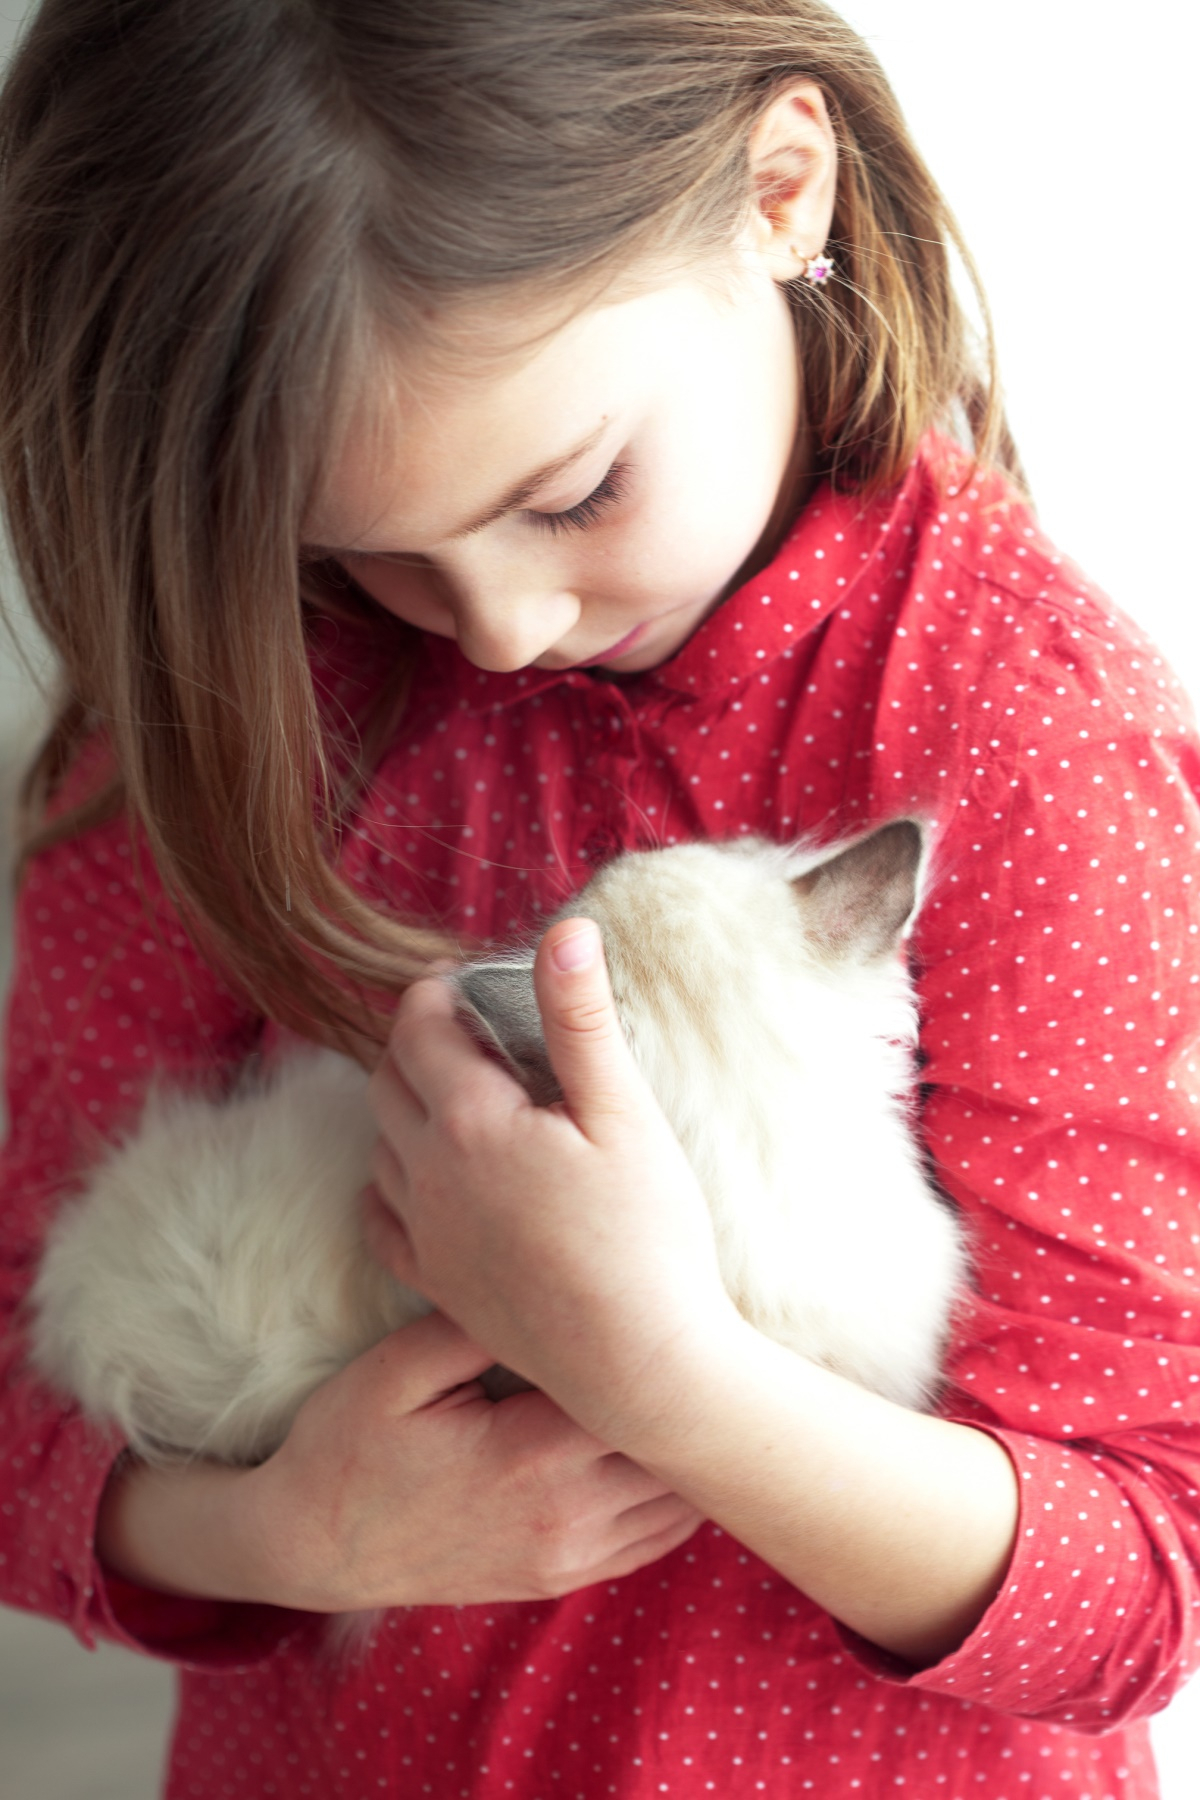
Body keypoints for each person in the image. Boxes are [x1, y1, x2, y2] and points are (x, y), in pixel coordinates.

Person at [1, 1, 1197, 1795]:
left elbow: (1144, 1584)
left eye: (572, 493)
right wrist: (284, 1539)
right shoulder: (247, 695)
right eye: (368, 551)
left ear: (779, 195)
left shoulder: (1025, 741)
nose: (490, 624)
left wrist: (665, 1379)